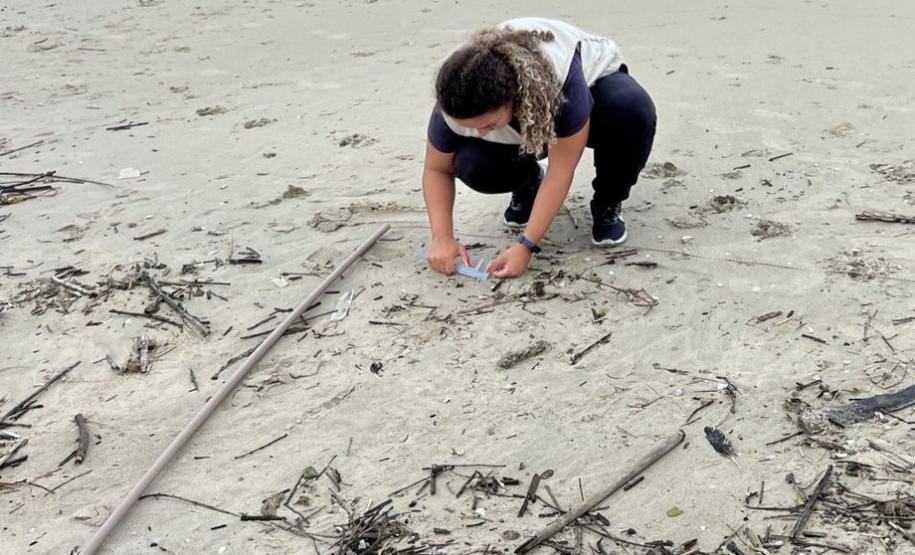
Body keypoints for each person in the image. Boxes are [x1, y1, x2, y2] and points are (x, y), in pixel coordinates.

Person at [422, 17, 657, 279]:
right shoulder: (455, 96)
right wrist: (441, 237)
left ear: (512, 97)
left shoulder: (562, 83)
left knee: (630, 110)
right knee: (471, 161)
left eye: (488, 124)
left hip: (593, 88)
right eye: (472, 127)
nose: (481, 133)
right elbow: (436, 169)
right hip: (521, 114)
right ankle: (528, 183)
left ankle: (608, 201)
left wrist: (526, 246)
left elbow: (561, 170)